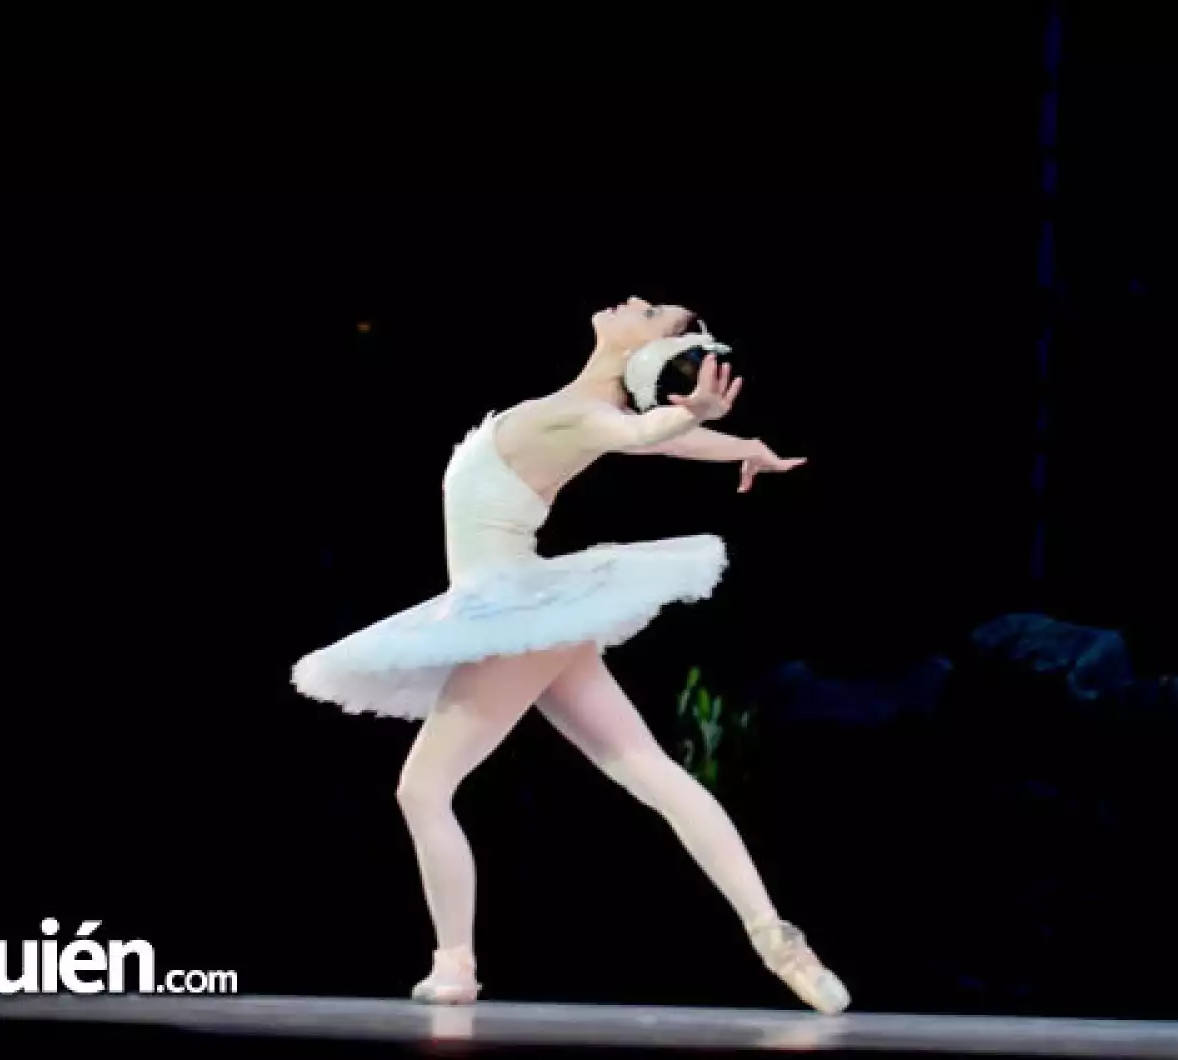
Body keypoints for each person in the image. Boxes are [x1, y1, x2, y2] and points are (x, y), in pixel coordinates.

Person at [291, 297, 848, 1015]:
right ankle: (778, 941)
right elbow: (652, 438)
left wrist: (693, 416)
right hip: (530, 613)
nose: (633, 302)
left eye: (651, 313)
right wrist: (739, 445)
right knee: (648, 771)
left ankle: (455, 966)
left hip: (515, 612)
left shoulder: (587, 414)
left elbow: (644, 429)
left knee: (422, 791)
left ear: (645, 353)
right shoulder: (576, 408)